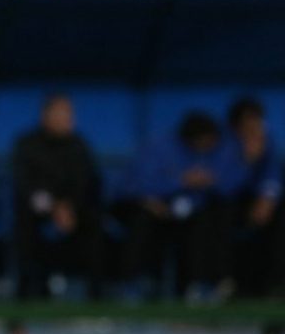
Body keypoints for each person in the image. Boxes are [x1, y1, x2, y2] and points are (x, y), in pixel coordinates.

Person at [117, 112, 246, 302]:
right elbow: (134, 185)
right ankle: (131, 286)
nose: (208, 146)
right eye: (204, 141)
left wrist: (210, 183)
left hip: (196, 213)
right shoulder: (159, 147)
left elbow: (233, 184)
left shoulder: (223, 150)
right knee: (142, 221)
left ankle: (201, 286)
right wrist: (179, 181)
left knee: (210, 222)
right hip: (156, 211)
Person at [12, 95, 103, 300]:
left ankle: (96, 298)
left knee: (95, 224)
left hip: (73, 211)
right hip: (39, 210)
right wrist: (54, 208)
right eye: (62, 113)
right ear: (46, 116)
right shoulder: (27, 144)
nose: (68, 119)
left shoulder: (79, 145)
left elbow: (87, 182)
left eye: (70, 114)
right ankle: (27, 295)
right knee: (25, 226)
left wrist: (69, 207)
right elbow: (25, 185)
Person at [226, 98, 285, 297]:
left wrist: (266, 199)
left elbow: (273, 175)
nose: (253, 127)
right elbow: (224, 186)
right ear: (235, 125)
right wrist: (247, 161)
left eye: (257, 122)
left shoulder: (266, 141)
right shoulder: (224, 144)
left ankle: (276, 286)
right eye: (247, 123)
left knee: (279, 218)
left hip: (255, 204)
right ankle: (225, 286)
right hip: (225, 204)